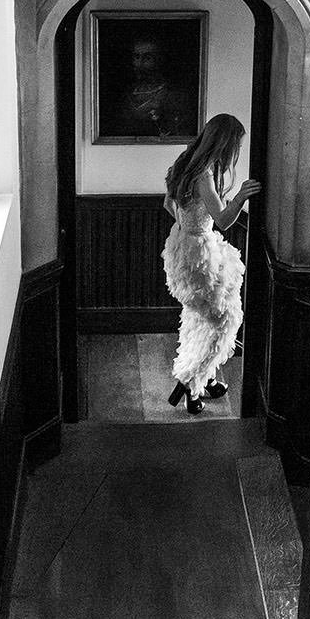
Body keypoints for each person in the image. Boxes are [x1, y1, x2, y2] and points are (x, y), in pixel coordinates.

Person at [161, 114, 262, 413]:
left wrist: (188, 227)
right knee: (224, 322)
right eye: (236, 145)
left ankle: (203, 379)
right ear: (226, 142)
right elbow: (224, 220)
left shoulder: (185, 162)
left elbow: (168, 204)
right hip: (200, 254)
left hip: (183, 245)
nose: (235, 152)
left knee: (200, 317)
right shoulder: (204, 173)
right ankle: (192, 385)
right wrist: (241, 196)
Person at [110, 38, 196, 139]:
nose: (139, 64)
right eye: (136, 57)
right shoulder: (126, 94)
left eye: (147, 58)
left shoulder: (176, 95)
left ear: (160, 60)